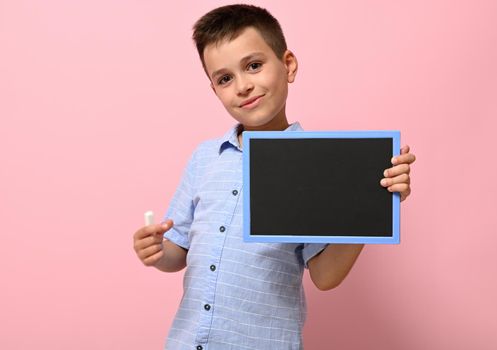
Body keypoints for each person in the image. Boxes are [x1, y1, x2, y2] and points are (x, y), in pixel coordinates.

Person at [133, 4, 416, 349]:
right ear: (214, 90)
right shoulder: (205, 158)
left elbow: (326, 276)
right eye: (225, 78)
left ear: (288, 65)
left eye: (254, 66)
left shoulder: (316, 166)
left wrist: (374, 204)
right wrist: (156, 251)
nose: (243, 86)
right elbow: (177, 251)